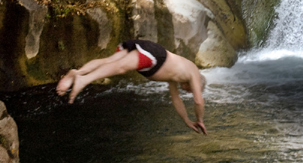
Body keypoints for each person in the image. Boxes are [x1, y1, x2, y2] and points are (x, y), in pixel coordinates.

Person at [56, 39, 207, 135]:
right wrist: (200, 119)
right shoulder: (194, 71)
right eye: (190, 89)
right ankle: (84, 79)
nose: (186, 90)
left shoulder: (176, 77)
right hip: (155, 56)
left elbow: (176, 100)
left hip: (151, 53)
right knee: (119, 67)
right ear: (196, 84)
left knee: (109, 62)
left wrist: (187, 120)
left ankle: (77, 73)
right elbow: (198, 101)